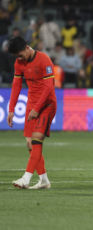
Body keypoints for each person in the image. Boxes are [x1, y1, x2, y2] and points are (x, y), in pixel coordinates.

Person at [7, 36, 57, 189]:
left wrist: (36, 109)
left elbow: (49, 88)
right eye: (17, 56)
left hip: (46, 104)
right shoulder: (19, 63)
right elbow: (16, 85)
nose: (19, 58)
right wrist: (11, 109)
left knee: (36, 140)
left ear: (27, 48)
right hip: (31, 105)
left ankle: (26, 178)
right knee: (30, 144)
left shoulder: (44, 60)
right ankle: (43, 180)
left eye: (20, 54)